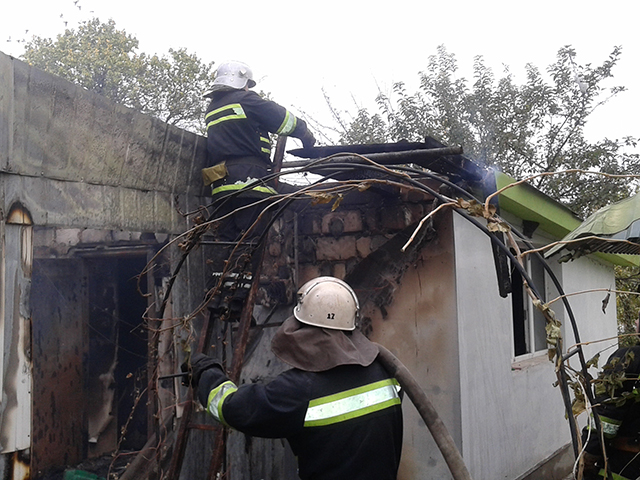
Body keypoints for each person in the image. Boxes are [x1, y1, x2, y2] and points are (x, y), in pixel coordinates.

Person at [184, 276, 404, 480]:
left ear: (304, 330)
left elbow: (229, 407)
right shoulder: (384, 373)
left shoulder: (300, 390)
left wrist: (206, 371)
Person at [202, 60, 316, 315]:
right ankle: (237, 300)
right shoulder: (246, 101)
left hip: (220, 186)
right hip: (249, 183)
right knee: (249, 240)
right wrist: (305, 134)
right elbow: (283, 120)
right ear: (241, 82)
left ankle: (217, 297)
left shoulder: (212, 108)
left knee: (226, 240)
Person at [582, 321, 640, 480]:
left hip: (626, 462)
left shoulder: (628, 358)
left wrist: (589, 454)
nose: (636, 322)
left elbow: (607, 416)